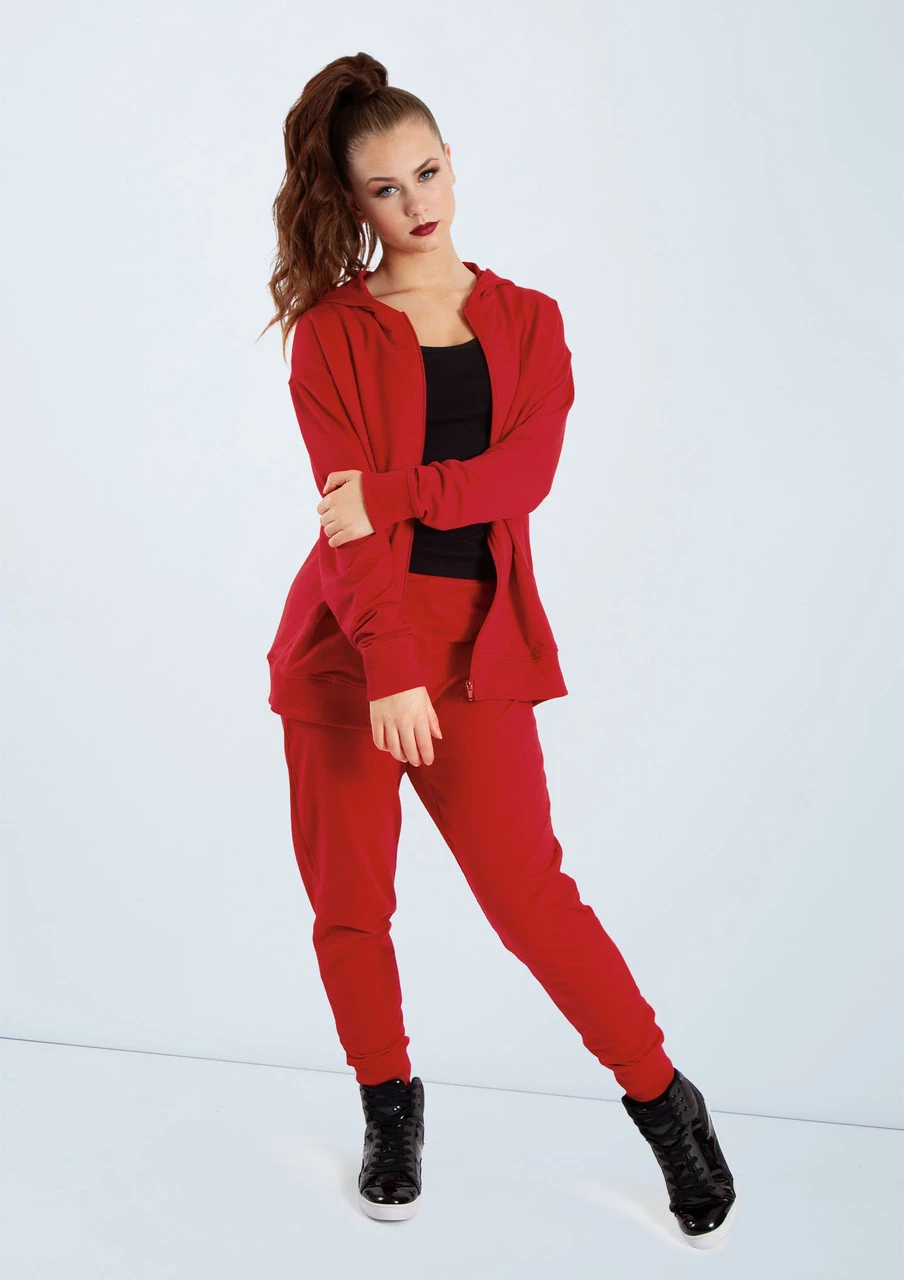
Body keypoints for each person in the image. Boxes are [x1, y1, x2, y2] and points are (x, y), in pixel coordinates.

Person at [259, 51, 737, 1247]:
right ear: (352, 201)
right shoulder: (329, 335)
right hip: (349, 651)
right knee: (351, 906)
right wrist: (387, 664)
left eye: (426, 172)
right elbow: (346, 531)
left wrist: (396, 491)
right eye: (384, 188)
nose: (414, 202)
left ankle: (662, 1099)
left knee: (531, 898)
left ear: (452, 165)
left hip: (478, 650)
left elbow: (521, 477)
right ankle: (389, 1109)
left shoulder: (530, 320)